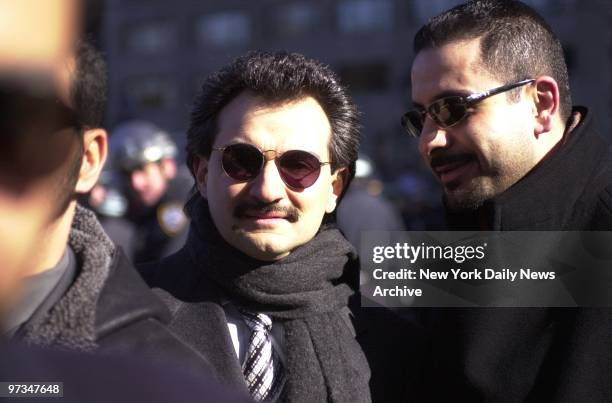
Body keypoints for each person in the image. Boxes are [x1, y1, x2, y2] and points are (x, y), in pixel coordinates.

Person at [142, 51, 420, 403]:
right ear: (201, 173)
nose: (268, 190)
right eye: (241, 161)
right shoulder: (119, 311)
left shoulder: (392, 342)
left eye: (299, 165)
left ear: (335, 187)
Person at [401, 0, 612, 401]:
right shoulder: (442, 234)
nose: (430, 141)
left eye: (453, 109)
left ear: (541, 104)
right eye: (421, 117)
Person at [1, 39, 213, 379]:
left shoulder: (163, 376)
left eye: (25, 122)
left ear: (88, 161)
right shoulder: (119, 216)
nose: (139, 183)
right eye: (131, 173)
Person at [95, 120, 190, 264]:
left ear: (167, 166)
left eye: (142, 169)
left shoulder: (190, 205)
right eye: (127, 174)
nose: (136, 183)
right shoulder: (127, 211)